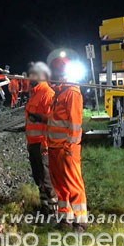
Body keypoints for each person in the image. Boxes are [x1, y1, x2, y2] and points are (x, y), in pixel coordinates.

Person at [46, 55, 87, 230]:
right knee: (61, 186)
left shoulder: (71, 93)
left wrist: (71, 146)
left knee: (73, 184)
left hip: (66, 147)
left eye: (54, 73)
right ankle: (66, 218)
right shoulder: (60, 92)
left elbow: (75, 123)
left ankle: (81, 221)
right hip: (55, 147)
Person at [24, 62, 57, 214]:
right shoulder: (35, 93)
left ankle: (53, 211)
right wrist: (29, 143)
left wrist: (45, 144)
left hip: (42, 145)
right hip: (33, 144)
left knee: (46, 179)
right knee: (39, 178)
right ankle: (45, 208)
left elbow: (49, 122)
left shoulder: (47, 94)